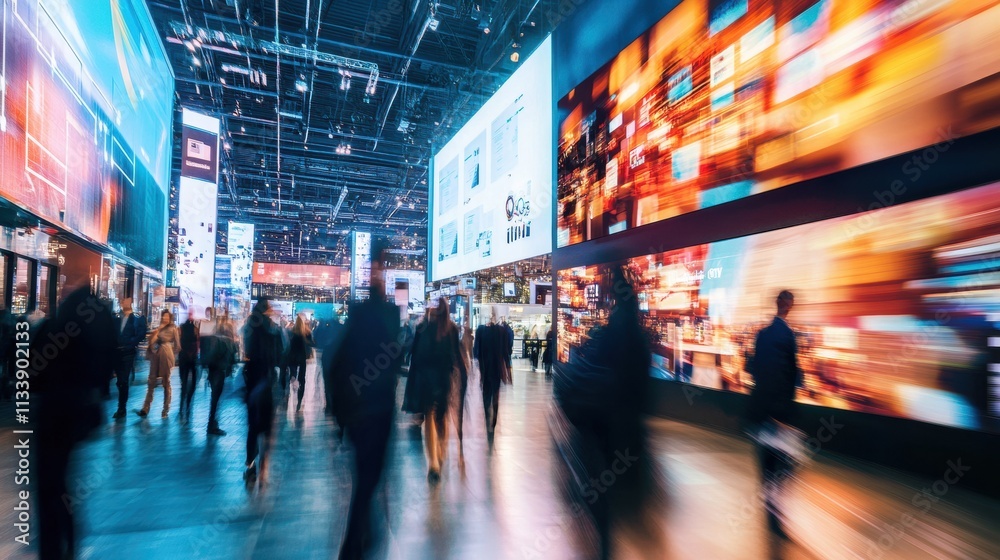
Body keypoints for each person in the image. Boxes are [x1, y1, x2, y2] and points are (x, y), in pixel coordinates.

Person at [327, 244, 402, 559]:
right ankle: (353, 543)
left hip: (366, 413)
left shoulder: (367, 315)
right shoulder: (382, 315)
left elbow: (336, 364)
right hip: (374, 413)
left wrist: (341, 414)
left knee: (368, 477)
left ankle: (361, 536)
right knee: (369, 479)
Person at [33, 287, 116, 559]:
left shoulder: (62, 326)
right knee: (61, 482)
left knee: (50, 484)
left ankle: (55, 547)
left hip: (54, 412)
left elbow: (35, 369)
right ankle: (67, 541)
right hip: (78, 411)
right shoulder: (98, 324)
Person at [745, 290, 802, 541]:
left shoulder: (762, 334)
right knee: (786, 461)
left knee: (768, 462)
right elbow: (790, 375)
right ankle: (774, 512)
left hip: (761, 409)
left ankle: (771, 509)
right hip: (778, 411)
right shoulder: (787, 335)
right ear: (787, 305)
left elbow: (755, 370)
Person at [409, 298, 467, 481]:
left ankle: (433, 461)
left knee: (429, 419)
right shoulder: (451, 329)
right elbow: (457, 357)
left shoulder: (422, 328)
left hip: (426, 380)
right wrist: (463, 379)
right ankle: (441, 453)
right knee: (441, 419)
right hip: (444, 381)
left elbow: (414, 357)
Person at [243, 298, 282, 484]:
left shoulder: (249, 326)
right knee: (267, 424)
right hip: (266, 379)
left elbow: (247, 351)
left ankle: (250, 463)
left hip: (252, 378)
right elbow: (278, 354)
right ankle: (264, 464)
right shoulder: (271, 328)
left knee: (252, 424)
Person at [474, 307, 512, 438]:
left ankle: (488, 418)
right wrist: (508, 371)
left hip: (486, 368)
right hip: (496, 368)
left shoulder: (481, 331)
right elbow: (505, 352)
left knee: (486, 394)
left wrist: (477, 369)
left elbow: (476, 352)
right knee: (495, 394)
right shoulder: (502, 332)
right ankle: (493, 420)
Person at [137, 310, 179, 418]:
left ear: (170, 318)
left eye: (167, 317)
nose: (165, 319)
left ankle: (165, 409)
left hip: (165, 355)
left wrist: (171, 354)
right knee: (151, 381)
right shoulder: (159, 327)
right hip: (156, 355)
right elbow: (152, 340)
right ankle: (145, 408)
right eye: (164, 316)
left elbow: (177, 345)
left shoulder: (173, 328)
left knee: (166, 382)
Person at [112, 298, 146, 419]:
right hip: (117, 353)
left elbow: (141, 334)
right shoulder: (116, 319)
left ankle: (122, 408)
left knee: (123, 380)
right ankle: (121, 407)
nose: (123, 303)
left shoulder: (136, 319)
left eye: (125, 301)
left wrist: (130, 343)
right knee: (120, 381)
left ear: (130, 303)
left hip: (127, 353)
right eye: (122, 302)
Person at [206, 312, 239, 435]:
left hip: (215, 371)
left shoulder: (216, 339)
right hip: (219, 372)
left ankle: (212, 423)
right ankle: (212, 425)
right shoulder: (227, 342)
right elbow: (229, 357)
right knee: (215, 398)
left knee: (215, 398)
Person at [287, 314, 315, 411]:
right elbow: (312, 343)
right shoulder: (306, 332)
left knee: (293, 372)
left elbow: (289, 345)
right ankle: (299, 401)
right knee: (302, 379)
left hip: (293, 356)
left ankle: (293, 378)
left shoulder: (292, 332)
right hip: (302, 357)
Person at [178, 311, 200, 422]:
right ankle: (187, 403)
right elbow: (197, 342)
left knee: (184, 381)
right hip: (192, 358)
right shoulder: (195, 328)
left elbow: (179, 342)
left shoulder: (182, 328)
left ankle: (182, 404)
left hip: (184, 357)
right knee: (192, 382)